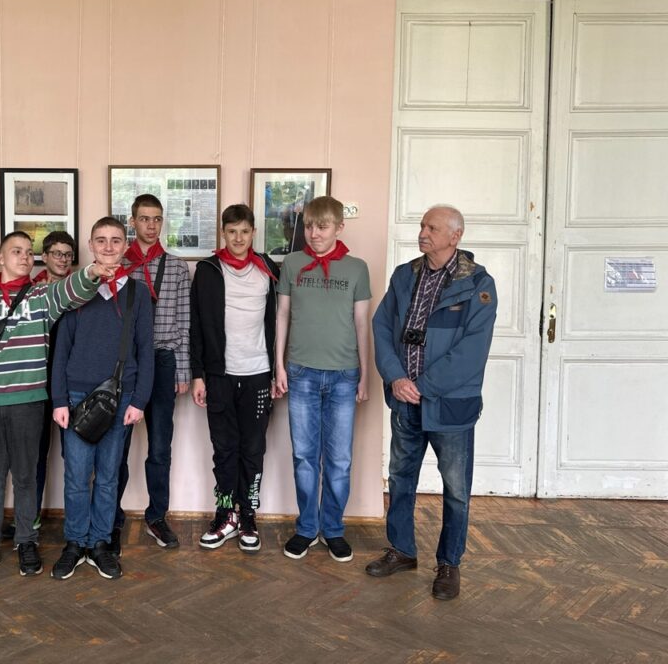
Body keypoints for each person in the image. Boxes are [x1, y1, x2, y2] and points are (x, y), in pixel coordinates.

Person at [0, 231, 113, 580]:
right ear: (1, 257)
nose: (25, 257)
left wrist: (92, 272)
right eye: (17, 251)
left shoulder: (42, 296)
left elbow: (72, 290)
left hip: (28, 400)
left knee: (26, 477)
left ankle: (26, 540)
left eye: (29, 252)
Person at [365, 205, 497, 601]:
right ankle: (402, 550)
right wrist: (396, 377)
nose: (423, 232)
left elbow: (472, 351)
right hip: (405, 401)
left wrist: (422, 386)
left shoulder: (478, 283)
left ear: (455, 236)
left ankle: (449, 563)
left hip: (449, 405)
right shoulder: (405, 275)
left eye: (432, 227)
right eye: (422, 225)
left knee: (455, 489)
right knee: (400, 479)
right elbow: (381, 327)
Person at [50, 218, 154, 580]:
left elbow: (146, 350)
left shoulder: (137, 292)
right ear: (91, 246)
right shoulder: (74, 290)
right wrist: (59, 400)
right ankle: (75, 542)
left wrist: (140, 400)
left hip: (120, 398)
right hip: (77, 396)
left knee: (108, 476)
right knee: (77, 476)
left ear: (126, 246)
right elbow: (61, 349)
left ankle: (99, 542)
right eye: (101, 240)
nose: (108, 247)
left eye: (115, 240)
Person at [275, 195, 371, 562]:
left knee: (339, 459)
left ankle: (333, 529)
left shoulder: (357, 269)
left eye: (323, 227)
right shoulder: (292, 264)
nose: (314, 234)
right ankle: (306, 528)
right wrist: (279, 366)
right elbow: (282, 315)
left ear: (339, 228)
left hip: (344, 376)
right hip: (301, 372)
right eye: (309, 227)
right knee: (304, 456)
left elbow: (361, 323)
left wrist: (364, 374)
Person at [190, 204, 280, 553]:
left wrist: (277, 371)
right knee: (224, 450)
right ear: (223, 234)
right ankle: (225, 514)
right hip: (220, 376)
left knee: (252, 449)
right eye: (232, 232)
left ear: (253, 232)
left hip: (258, 374)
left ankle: (248, 516)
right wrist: (199, 375)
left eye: (244, 231)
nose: (238, 238)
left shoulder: (268, 269)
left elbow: (280, 321)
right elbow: (197, 325)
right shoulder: (208, 270)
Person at [114, 194, 190, 552]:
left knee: (160, 445)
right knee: (117, 444)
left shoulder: (176, 267)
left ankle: (157, 516)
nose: (151, 225)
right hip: (125, 362)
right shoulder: (117, 264)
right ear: (132, 222)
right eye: (144, 218)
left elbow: (184, 322)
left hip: (162, 359)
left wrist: (182, 369)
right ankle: (110, 513)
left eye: (157, 219)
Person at [29, 230, 77, 532]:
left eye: (67, 254)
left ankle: (75, 521)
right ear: (44, 256)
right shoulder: (31, 290)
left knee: (73, 454)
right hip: (37, 379)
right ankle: (30, 516)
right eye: (56, 253)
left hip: (70, 381)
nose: (62, 259)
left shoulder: (80, 290)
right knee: (35, 452)